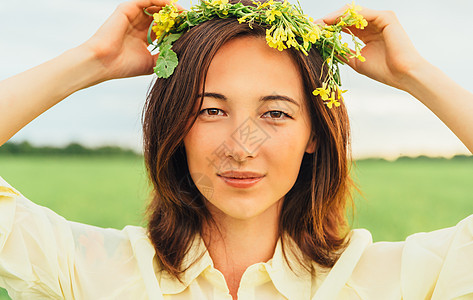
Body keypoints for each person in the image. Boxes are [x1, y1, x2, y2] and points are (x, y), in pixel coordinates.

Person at [0, 0, 472, 299]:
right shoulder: (87, 269)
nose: (240, 148)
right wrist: (92, 60)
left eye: (276, 113)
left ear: (314, 135)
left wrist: (416, 74)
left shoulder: (397, 279)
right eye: (210, 111)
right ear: (176, 127)